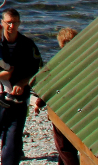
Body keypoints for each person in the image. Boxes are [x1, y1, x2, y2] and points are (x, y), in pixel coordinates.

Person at [0, 8, 42, 165]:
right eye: (8, 23)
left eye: (14, 23)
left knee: (13, 142)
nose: (11, 27)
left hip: (17, 100)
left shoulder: (28, 45)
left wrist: (23, 82)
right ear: (2, 23)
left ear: (19, 23)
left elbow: (38, 69)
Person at [31, 28, 80, 165]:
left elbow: (50, 87)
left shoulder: (59, 62)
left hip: (61, 109)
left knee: (64, 147)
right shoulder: (83, 59)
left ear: (61, 44)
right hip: (80, 108)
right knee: (70, 146)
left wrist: (39, 103)